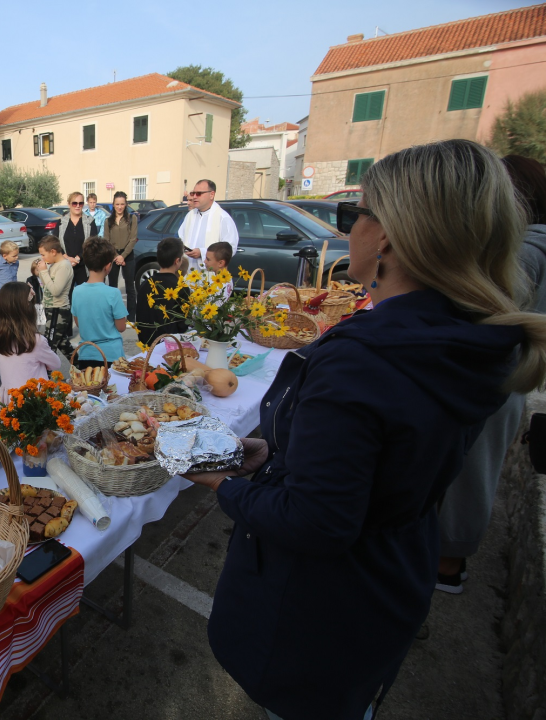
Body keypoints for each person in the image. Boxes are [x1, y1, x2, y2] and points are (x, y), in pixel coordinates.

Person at [186, 140, 546, 720]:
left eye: (355, 216)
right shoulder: (469, 338)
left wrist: (221, 484)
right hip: (389, 583)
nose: (347, 230)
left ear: (387, 236)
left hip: (319, 612)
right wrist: (279, 451)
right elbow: (388, 458)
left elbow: (319, 521)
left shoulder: (364, 359)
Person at [434, 154, 546, 593]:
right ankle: (447, 564)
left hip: (490, 380)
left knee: (466, 478)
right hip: (507, 379)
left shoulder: (529, 249)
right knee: (472, 475)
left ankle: (443, 569)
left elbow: (486, 313)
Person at [0, 281, 60, 402]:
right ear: (28, 311)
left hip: (10, 399)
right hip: (33, 400)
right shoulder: (36, 341)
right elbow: (56, 364)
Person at [72, 237, 127, 370]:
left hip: (86, 353)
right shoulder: (113, 293)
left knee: (90, 389)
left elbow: (79, 323)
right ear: (108, 266)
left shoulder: (77, 291)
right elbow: (121, 327)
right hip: (111, 355)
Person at [178, 179, 239, 273]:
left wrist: (202, 253)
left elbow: (229, 248)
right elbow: (181, 237)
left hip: (210, 275)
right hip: (188, 271)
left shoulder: (222, 217)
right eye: (193, 193)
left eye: (198, 193)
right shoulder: (190, 215)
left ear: (211, 194)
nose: (194, 196)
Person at [135, 237, 186, 346]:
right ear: (177, 261)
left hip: (147, 343)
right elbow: (183, 324)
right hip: (171, 345)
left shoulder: (145, 284)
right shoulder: (180, 287)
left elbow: (140, 317)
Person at [35, 237, 75, 355]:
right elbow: (45, 285)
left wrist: (43, 271)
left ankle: (47, 373)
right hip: (51, 308)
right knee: (62, 343)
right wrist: (41, 271)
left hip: (58, 309)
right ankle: (80, 367)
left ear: (53, 251)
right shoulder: (54, 264)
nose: (42, 258)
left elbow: (55, 291)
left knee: (49, 346)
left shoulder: (64, 266)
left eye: (43, 255)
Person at [105, 191, 139, 320]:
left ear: (126, 204)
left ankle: (131, 317)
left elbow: (133, 239)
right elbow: (106, 240)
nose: (120, 207)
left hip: (128, 255)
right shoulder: (108, 220)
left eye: (122, 204)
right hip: (113, 256)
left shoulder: (132, 219)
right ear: (113, 205)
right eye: (117, 204)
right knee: (112, 287)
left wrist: (123, 256)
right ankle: (114, 315)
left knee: (130, 287)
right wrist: (116, 256)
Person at [56, 191, 97, 290]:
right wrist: (66, 258)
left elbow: (92, 243)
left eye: (81, 203)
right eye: (74, 203)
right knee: (66, 299)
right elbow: (55, 243)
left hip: (83, 266)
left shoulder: (90, 221)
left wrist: (77, 258)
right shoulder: (61, 222)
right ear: (69, 204)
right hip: (65, 265)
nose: (78, 206)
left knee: (84, 297)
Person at [27, 258, 46, 327]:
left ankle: (42, 331)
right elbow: (29, 288)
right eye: (37, 270)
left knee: (44, 318)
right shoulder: (31, 279)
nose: (39, 272)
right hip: (36, 302)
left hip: (44, 301)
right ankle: (36, 331)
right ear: (33, 270)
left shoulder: (46, 277)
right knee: (36, 318)